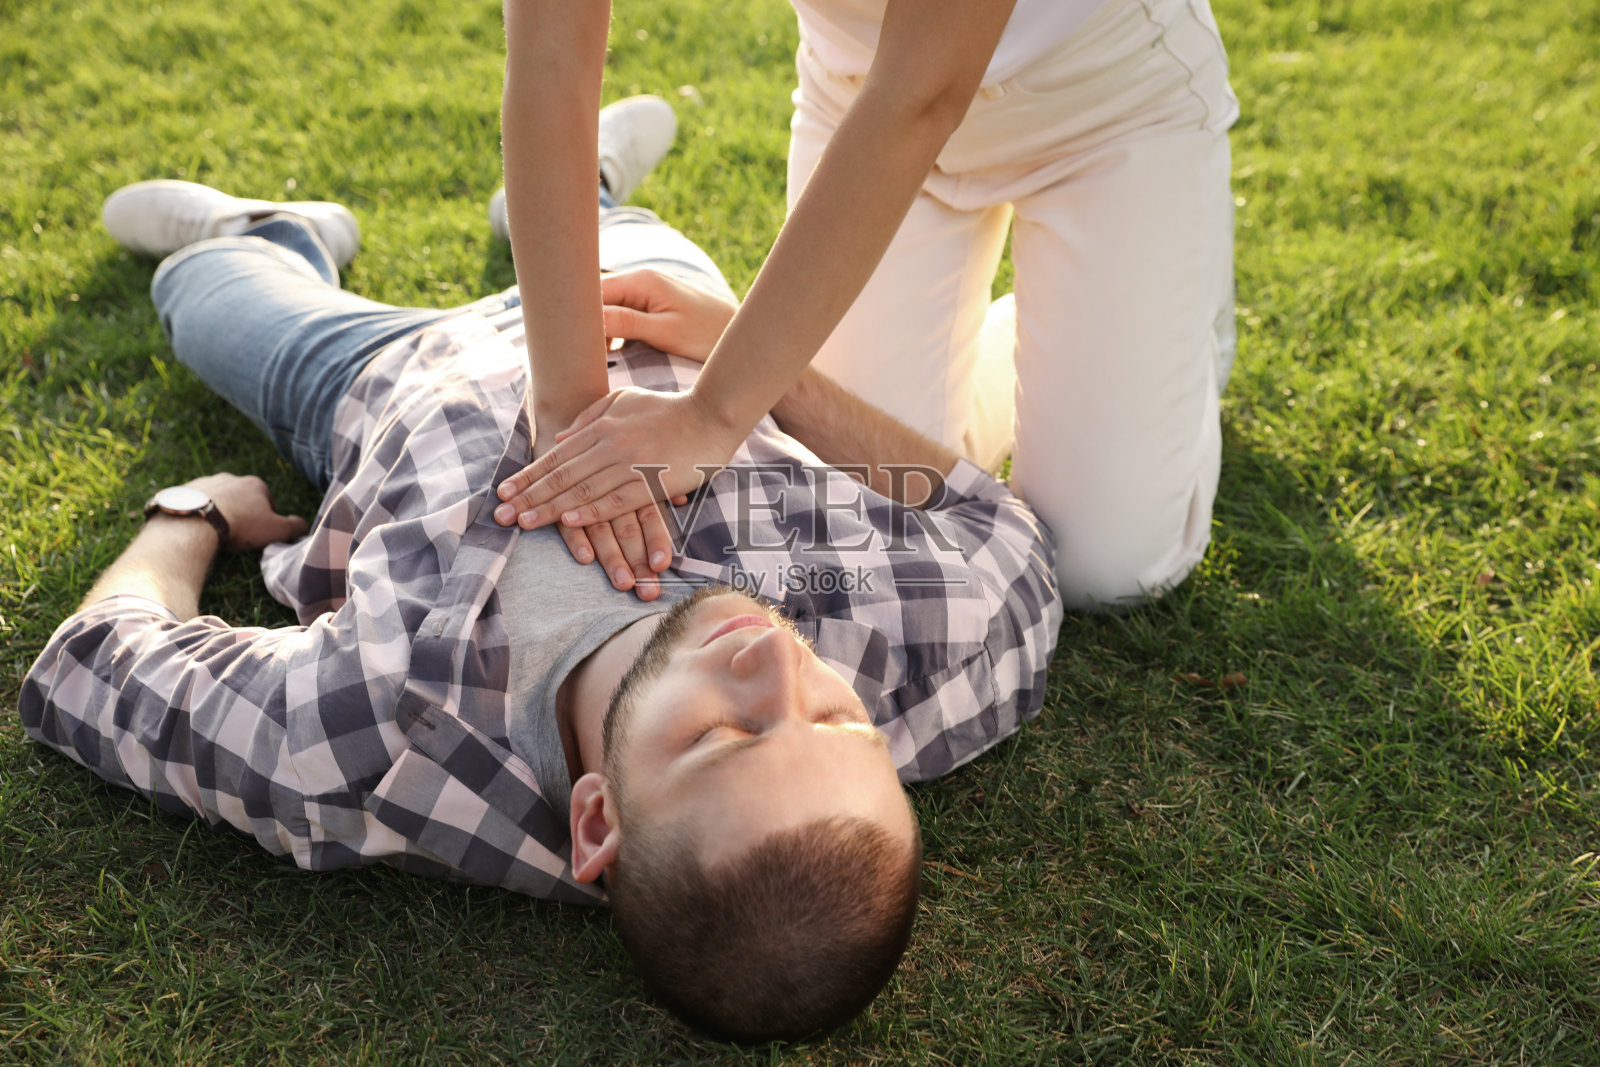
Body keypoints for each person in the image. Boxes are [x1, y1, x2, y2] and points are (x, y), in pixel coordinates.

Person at [19, 99, 1061, 1042]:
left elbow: (96, 660)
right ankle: (576, 190)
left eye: (719, 734)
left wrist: (195, 513)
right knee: (580, 209)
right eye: (839, 722)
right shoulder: (928, 654)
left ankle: (274, 228)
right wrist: (765, 370)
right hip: (660, 314)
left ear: (597, 818)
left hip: (387, 381)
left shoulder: (369, 738)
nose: (775, 667)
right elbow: (1005, 542)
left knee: (197, 289)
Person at [491, 0, 1239, 611]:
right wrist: (569, 412)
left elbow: (924, 92)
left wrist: (714, 409)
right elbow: (551, 56)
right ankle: (1076, 339)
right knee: (871, 497)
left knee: (1102, 568)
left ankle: (1171, 327)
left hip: (1102, 103)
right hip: (860, 99)